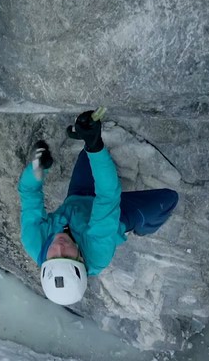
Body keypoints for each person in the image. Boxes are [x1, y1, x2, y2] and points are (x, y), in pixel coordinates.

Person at [17, 110, 179, 306]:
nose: (59, 246)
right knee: (168, 199)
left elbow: (29, 194)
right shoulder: (97, 253)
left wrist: (37, 169)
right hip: (117, 215)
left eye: (53, 256)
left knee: (88, 150)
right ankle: (142, 227)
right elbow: (108, 196)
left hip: (78, 197)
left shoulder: (33, 240)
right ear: (81, 258)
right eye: (67, 254)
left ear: (44, 262)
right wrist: (96, 147)